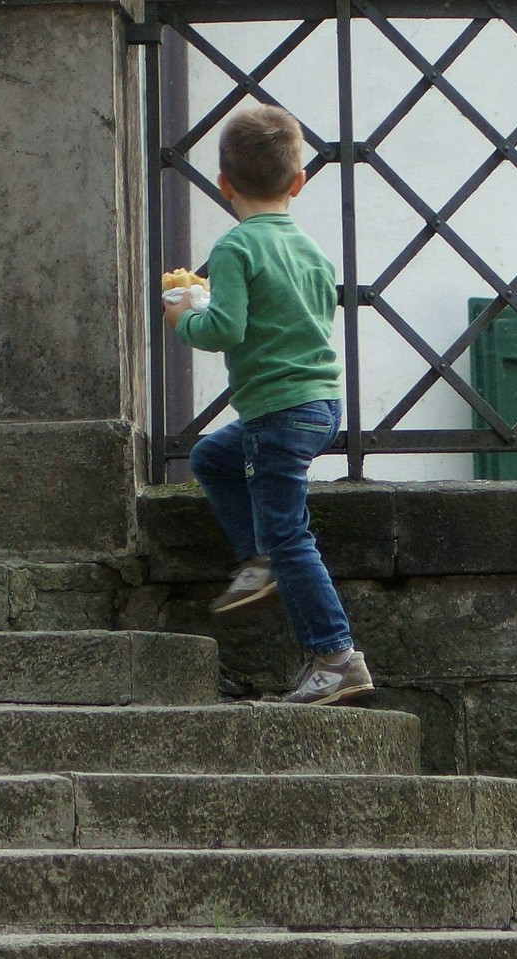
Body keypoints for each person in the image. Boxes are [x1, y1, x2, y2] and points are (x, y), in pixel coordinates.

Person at [164, 104, 372, 706]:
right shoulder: (309, 249)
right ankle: (255, 558)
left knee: (290, 535)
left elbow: (224, 331)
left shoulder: (235, 247)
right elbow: (307, 320)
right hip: (321, 404)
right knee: (210, 457)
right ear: (298, 181)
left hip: (275, 413)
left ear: (224, 185)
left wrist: (184, 316)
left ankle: (335, 654)